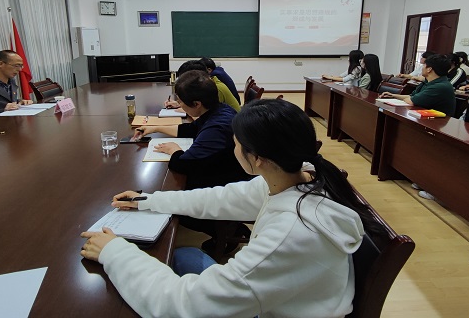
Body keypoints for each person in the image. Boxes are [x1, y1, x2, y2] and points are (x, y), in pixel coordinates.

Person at [82, 99, 384, 318]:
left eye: (236, 143)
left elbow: (183, 306)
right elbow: (218, 199)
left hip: (278, 309)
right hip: (286, 297)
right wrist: (149, 201)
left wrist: (114, 252)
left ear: (259, 158)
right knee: (183, 256)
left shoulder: (289, 235)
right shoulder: (300, 176)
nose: (233, 148)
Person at [134, 70, 251, 250]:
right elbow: (191, 129)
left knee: (175, 200)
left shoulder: (217, 126)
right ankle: (228, 227)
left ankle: (228, 231)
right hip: (223, 168)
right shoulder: (218, 110)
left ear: (196, 104)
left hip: (227, 181)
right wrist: (154, 128)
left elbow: (183, 164)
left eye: (181, 102)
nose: (179, 105)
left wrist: (174, 150)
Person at [379, 54, 456, 116]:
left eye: (424, 65)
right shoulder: (427, 82)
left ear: (429, 69)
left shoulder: (440, 86)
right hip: (423, 117)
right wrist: (393, 95)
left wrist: (411, 98)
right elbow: (411, 96)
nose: (422, 68)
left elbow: (411, 101)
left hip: (436, 123)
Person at [165, 60, 240, 112]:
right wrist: (180, 104)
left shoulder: (215, 89)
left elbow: (205, 112)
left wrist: (182, 108)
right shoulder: (209, 83)